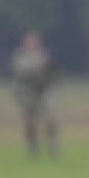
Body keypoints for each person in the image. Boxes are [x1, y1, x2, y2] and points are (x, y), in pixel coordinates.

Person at [10, 29, 58, 157]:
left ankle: (53, 147)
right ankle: (33, 149)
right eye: (30, 41)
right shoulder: (20, 56)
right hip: (28, 94)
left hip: (43, 92)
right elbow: (21, 73)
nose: (32, 43)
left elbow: (51, 72)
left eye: (34, 41)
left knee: (50, 119)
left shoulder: (44, 55)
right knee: (29, 123)